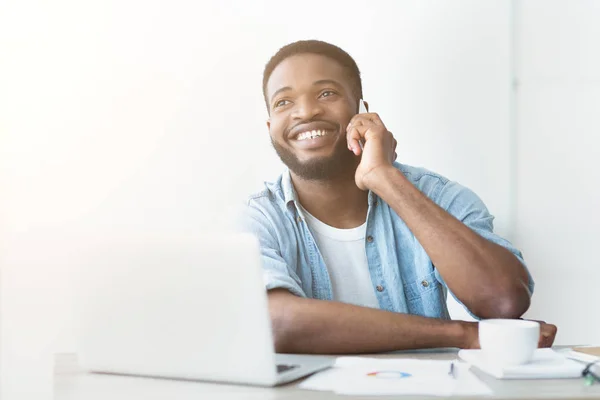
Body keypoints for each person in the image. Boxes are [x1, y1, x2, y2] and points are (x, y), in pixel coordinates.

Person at [243, 40, 557, 354]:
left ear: (361, 111)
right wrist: (461, 334)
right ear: (271, 126)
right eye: (284, 102)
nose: (306, 111)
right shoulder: (257, 218)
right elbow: (276, 324)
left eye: (327, 93)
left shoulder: (436, 195)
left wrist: (384, 178)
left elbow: (503, 300)